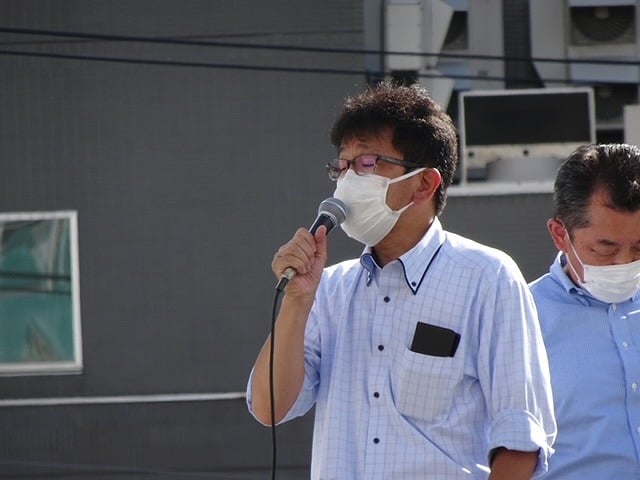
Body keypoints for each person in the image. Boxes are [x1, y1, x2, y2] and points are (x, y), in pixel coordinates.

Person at [247, 82, 556, 479]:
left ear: (425, 184)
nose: (347, 181)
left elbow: (520, 437)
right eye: (341, 166)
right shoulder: (328, 289)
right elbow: (270, 409)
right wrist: (297, 300)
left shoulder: (487, 277)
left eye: (367, 163)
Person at [529, 143, 640, 479]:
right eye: (605, 249)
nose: (624, 262)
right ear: (560, 235)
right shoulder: (522, 317)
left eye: (639, 248)